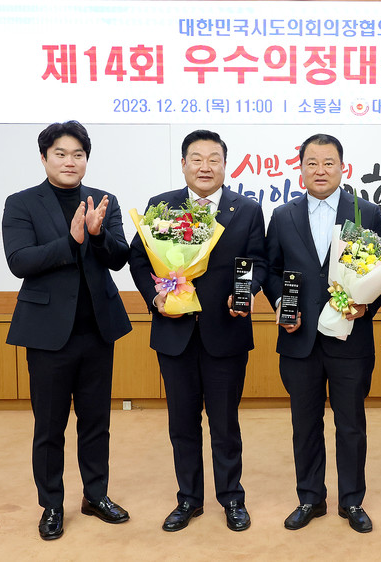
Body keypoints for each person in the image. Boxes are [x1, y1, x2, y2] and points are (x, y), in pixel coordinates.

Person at [129, 129, 266, 533]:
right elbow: (140, 259)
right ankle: (188, 499)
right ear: (184, 164)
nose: (205, 167)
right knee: (182, 423)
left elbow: (257, 262)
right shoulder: (161, 206)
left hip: (226, 331)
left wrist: (245, 291)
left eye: (213, 159)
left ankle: (232, 498)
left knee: (225, 424)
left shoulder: (247, 210)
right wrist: (155, 298)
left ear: (225, 165)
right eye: (197, 158)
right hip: (175, 333)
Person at [2, 121, 132, 540]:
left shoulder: (103, 201)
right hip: (47, 334)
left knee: (96, 422)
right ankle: (52, 505)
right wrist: (72, 241)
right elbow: (20, 260)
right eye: (60, 153)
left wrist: (96, 235)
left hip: (97, 331)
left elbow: (119, 257)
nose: (69, 161)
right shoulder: (21, 203)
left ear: (86, 159)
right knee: (49, 425)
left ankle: (96, 495)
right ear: (44, 157)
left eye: (78, 154)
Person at [264, 133, 381, 534]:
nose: (320, 170)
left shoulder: (366, 213)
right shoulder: (283, 216)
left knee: (351, 424)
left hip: (350, 337)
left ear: (343, 167)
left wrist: (366, 306)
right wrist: (281, 303)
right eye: (312, 163)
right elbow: (271, 270)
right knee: (305, 423)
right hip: (298, 339)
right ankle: (310, 498)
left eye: (329, 163)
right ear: (300, 169)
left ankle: (352, 501)